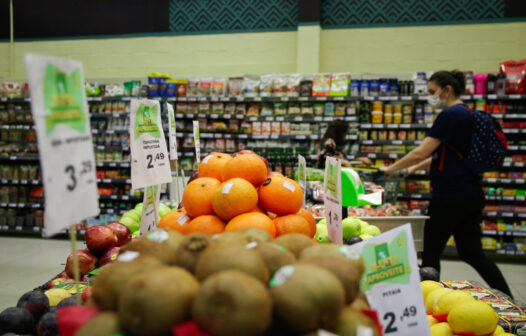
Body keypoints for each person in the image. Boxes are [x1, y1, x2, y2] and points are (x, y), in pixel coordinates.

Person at [381, 70, 512, 297]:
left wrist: (390, 169)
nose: (430, 97)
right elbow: (446, 156)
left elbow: (421, 151)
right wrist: (415, 169)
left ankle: (431, 302)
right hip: (470, 194)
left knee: (431, 254)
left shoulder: (449, 116)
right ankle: (509, 297)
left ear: (447, 89)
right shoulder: (467, 114)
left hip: (448, 197)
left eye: (432, 92)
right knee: (472, 253)